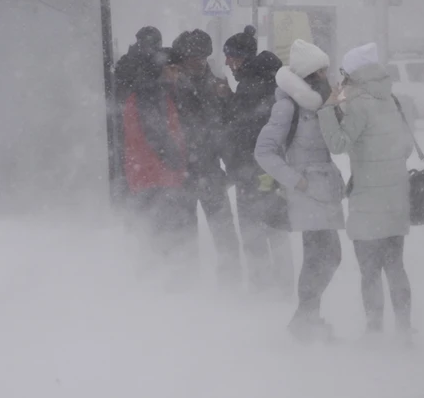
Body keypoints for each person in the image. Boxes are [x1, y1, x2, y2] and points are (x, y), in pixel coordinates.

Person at [317, 43, 415, 342]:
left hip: (368, 202)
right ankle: (404, 330)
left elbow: (338, 144)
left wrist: (327, 109)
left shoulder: (358, 105)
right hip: (397, 196)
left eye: (345, 74)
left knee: (370, 270)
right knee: (396, 266)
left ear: (355, 75)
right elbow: (406, 147)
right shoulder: (394, 100)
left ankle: (374, 330)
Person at [254, 39, 345, 341]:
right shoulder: (287, 106)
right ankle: (307, 321)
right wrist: (297, 181)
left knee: (328, 255)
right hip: (306, 192)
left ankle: (306, 318)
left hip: (325, 190)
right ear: (309, 75)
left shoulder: (324, 104)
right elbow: (264, 151)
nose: (327, 76)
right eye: (322, 71)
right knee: (321, 255)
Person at [223, 26, 294, 297]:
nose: (227, 63)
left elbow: (244, 131)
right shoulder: (269, 80)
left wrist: (236, 168)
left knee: (254, 231)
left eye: (230, 57)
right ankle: (286, 285)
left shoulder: (251, 86)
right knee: (276, 228)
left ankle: (262, 289)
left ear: (242, 57)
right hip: (273, 170)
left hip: (252, 172)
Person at [170, 29, 242, 287]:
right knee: (184, 231)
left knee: (223, 230)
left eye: (202, 56)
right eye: (193, 56)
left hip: (208, 169)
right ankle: (186, 284)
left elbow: (228, 126)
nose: (198, 61)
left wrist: (231, 164)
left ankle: (230, 283)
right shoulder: (172, 85)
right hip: (182, 170)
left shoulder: (215, 85)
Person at [119, 47, 192, 251]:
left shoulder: (149, 91)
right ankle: (162, 280)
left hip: (148, 176)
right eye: (174, 69)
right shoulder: (151, 93)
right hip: (156, 178)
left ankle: (157, 278)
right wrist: (177, 163)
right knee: (163, 240)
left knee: (154, 238)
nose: (178, 75)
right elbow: (156, 134)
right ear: (162, 68)